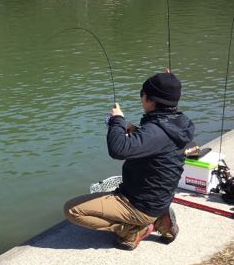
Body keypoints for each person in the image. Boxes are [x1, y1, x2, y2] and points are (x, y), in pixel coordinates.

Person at [63, 71, 195, 250]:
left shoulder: (155, 132)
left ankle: (133, 229)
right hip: (161, 199)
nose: (141, 98)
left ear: (151, 100)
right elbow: (157, 144)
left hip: (140, 204)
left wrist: (117, 120)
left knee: (72, 210)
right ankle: (161, 219)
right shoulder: (180, 123)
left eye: (142, 94)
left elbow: (118, 149)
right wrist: (136, 131)